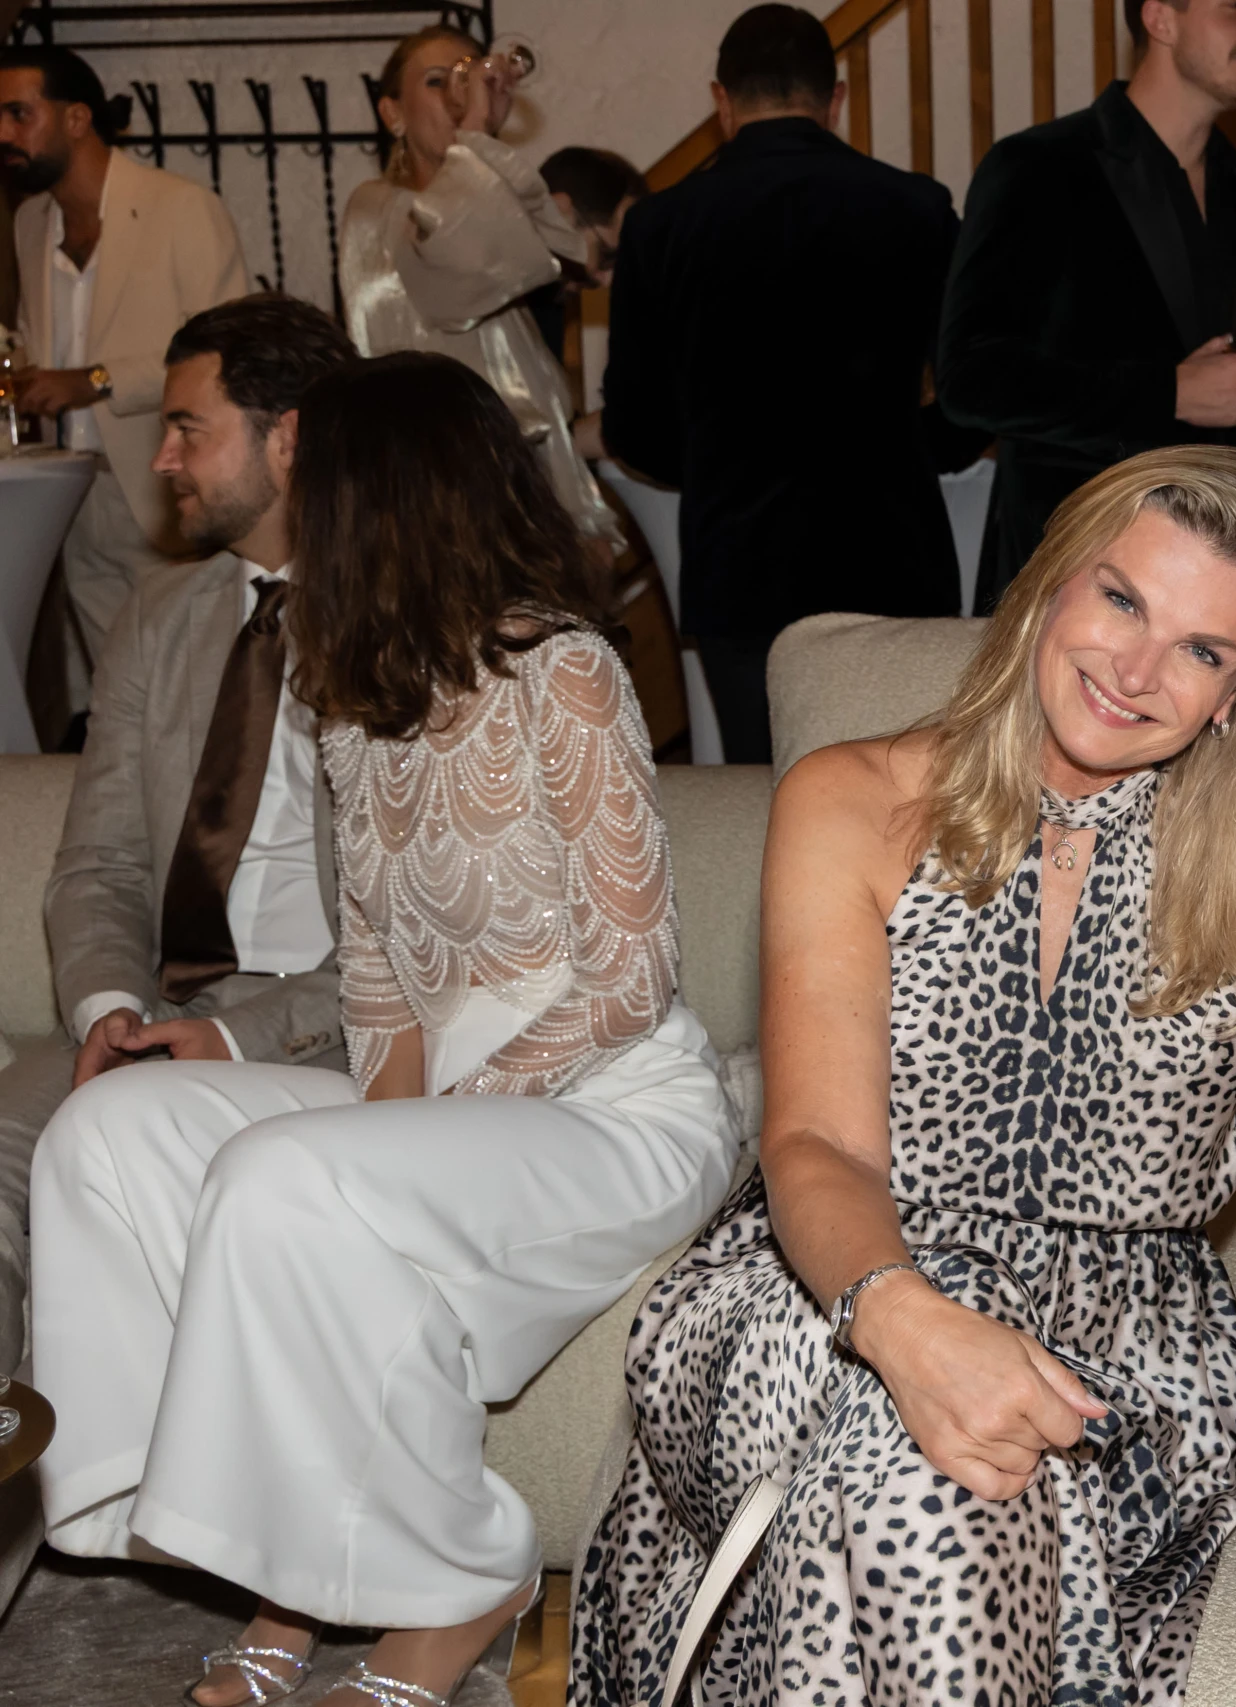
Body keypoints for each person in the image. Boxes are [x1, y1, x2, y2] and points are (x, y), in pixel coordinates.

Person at [29, 351, 736, 1707]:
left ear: (386, 494)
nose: (301, 504)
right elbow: (381, 982)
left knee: (294, 1180)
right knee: (114, 1132)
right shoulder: (356, 698)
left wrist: (420, 1131)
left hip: (610, 1102)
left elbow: (628, 977)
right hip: (439, 1102)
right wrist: (393, 1128)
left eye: (323, 478)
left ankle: (453, 1581)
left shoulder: (564, 670)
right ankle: (257, 1535)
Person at [569, 447, 1236, 1707]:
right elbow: (818, 1147)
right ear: (1047, 585)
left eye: (1201, 650)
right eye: (1121, 599)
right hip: (818, 1293)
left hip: (1116, 1353)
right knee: (921, 1444)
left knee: (927, 1467)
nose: (1137, 669)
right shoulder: (852, 797)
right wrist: (905, 1318)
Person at [0, 290, 350, 1621]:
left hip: (320, 1026)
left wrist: (232, 1038)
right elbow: (93, 865)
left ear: (289, 438)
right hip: (155, 1004)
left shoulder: (402, 611)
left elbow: (416, 937)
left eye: (189, 428)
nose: (159, 457)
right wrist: (106, 1006)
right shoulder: (162, 615)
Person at [606, 4, 964, 766]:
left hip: (743, 567)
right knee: (902, 789)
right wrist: (911, 451)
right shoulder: (918, 207)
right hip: (892, 557)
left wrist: (716, 466)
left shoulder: (660, 225)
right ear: (835, 98)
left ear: (722, 101)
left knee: (766, 796)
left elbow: (632, 425)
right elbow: (971, 396)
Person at [938, 0, 1236, 613]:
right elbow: (971, 379)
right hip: (1070, 573)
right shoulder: (1036, 169)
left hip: (1216, 576)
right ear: (1160, 18)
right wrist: (1165, 393)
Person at [2, 44, 250, 704]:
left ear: (77, 118)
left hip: (163, 486)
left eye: (18, 113)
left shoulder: (181, 206)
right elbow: (35, 341)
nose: (3, 133)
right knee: (115, 697)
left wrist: (97, 379)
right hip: (66, 494)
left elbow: (231, 349)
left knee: (194, 690)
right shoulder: (30, 222)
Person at [340, 26, 622, 551]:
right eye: (438, 82)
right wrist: (473, 131)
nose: (459, 95)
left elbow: (558, 250)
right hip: (445, 510)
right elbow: (460, 256)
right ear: (393, 113)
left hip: (520, 499)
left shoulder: (494, 217)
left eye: (469, 79)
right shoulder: (375, 210)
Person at [531, 144, 647, 363]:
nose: (607, 281)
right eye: (606, 256)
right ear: (557, 211)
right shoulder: (488, 282)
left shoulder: (551, 308)